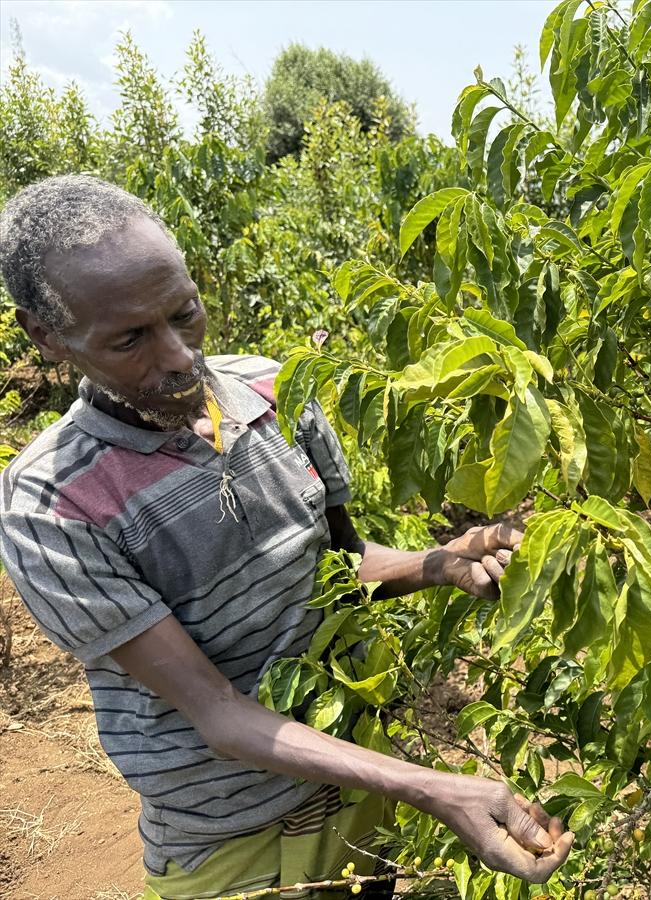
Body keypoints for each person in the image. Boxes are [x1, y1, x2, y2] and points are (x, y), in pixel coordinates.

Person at [0, 175, 574, 898]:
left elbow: (342, 564)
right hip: (231, 835)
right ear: (46, 335)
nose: (178, 356)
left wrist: (438, 563)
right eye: (129, 339)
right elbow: (218, 713)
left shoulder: (275, 391)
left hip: (364, 781)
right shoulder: (51, 502)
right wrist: (436, 788)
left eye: (185, 313)